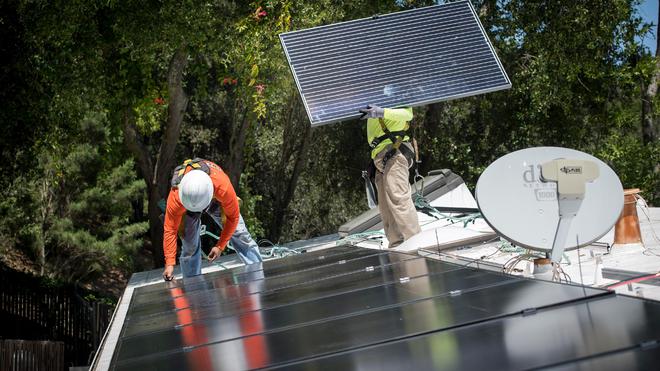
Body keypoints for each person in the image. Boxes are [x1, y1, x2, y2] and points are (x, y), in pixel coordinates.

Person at [162, 158, 263, 280]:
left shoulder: (223, 187)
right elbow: (170, 230)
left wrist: (220, 246)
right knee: (189, 247)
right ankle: (194, 288)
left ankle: (258, 275)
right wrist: (169, 263)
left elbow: (232, 218)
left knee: (240, 234)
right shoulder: (176, 196)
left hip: (214, 199)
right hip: (187, 207)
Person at [359, 104, 421, 248]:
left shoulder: (397, 93)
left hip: (394, 152)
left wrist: (381, 112)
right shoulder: (374, 97)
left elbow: (408, 115)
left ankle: (416, 243)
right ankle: (397, 245)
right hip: (381, 157)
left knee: (399, 199)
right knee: (386, 207)